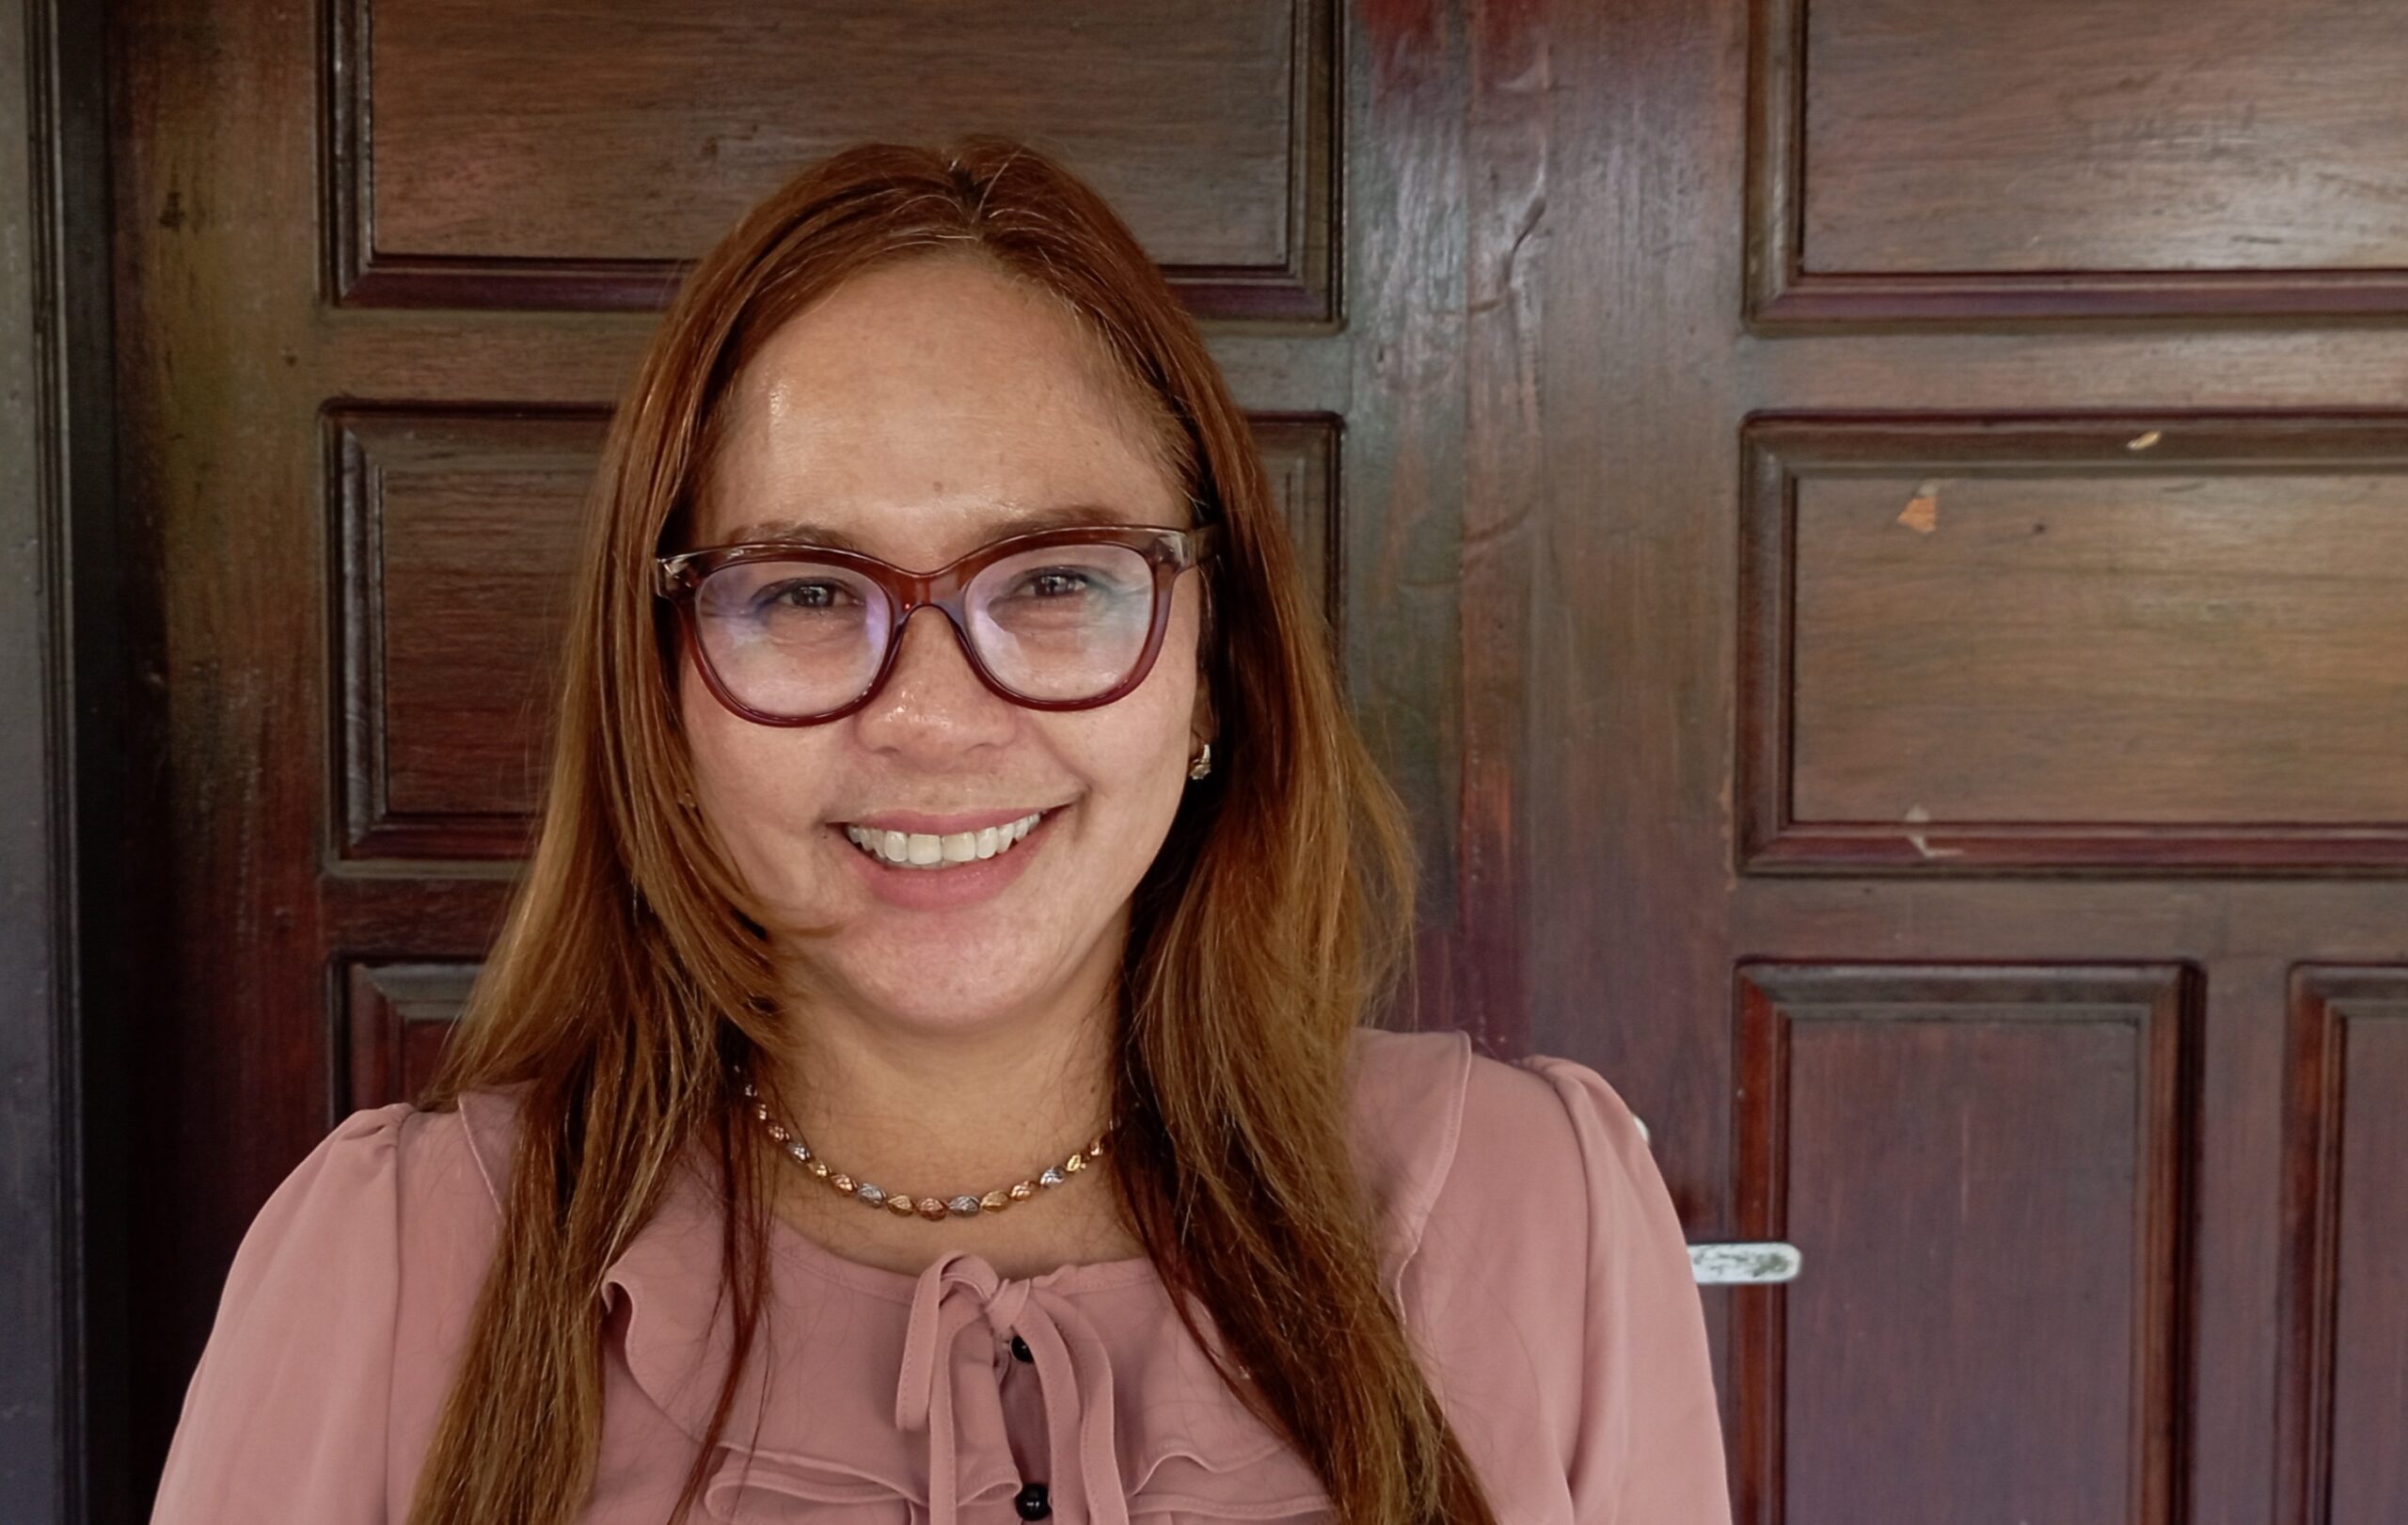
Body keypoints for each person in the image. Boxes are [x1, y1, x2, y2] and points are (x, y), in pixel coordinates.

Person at [149, 138, 1730, 1525]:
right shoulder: (396, 1271)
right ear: (662, 702)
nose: (930, 716)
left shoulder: (1543, 1212)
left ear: (1211, 671)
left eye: (1055, 579)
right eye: (804, 593)